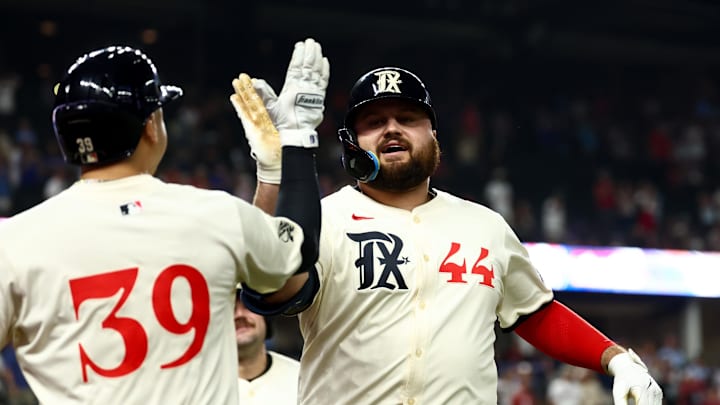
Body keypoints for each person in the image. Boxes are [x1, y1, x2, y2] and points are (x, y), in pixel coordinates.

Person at [230, 40, 662, 404]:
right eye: (374, 122)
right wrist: (278, 168)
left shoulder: (485, 225)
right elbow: (273, 286)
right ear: (350, 144)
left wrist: (615, 358)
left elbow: (534, 312)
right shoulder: (324, 216)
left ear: (434, 135)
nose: (392, 129)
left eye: (408, 118)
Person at [0, 40, 326, 405]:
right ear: (151, 126)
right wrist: (296, 140)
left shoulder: (13, 240)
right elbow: (298, 254)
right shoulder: (214, 215)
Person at [234, 288, 300, 404]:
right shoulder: (201, 384)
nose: (239, 315)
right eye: (230, 309)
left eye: (248, 306)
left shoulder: (300, 377)